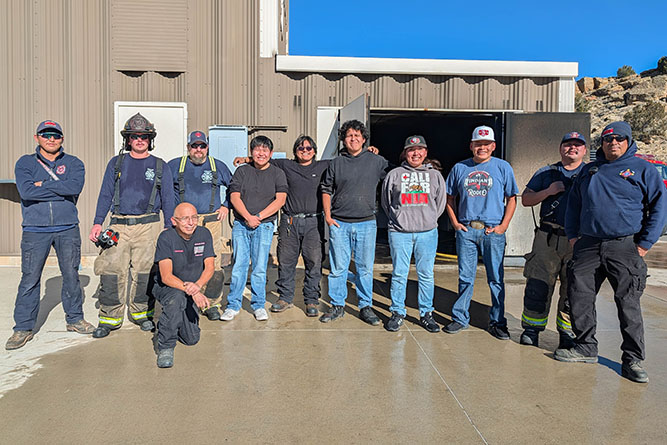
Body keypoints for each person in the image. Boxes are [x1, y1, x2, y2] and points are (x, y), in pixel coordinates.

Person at [555, 121, 667, 384]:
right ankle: (585, 348)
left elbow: (659, 209)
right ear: (601, 144)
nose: (613, 142)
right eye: (607, 139)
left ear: (628, 141)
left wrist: (643, 244)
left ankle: (633, 359)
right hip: (588, 246)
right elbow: (574, 204)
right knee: (579, 298)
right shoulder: (590, 170)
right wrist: (573, 236)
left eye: (619, 138)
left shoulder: (643, 169)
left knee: (628, 303)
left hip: (625, 247)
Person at [6, 120, 94, 350]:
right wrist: (57, 187)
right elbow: (26, 191)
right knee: (29, 279)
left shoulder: (74, 163)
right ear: (37, 138)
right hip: (35, 230)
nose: (51, 139)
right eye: (46, 135)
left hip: (67, 228)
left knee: (71, 276)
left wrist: (41, 185)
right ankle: (22, 328)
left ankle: (75, 319)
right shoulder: (25, 163)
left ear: (62, 139)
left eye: (55, 135)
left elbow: (74, 188)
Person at [89, 113, 175, 338]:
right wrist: (98, 223)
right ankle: (109, 317)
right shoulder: (116, 163)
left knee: (144, 273)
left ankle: (142, 314)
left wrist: (169, 227)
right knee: (111, 272)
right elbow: (105, 194)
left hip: (149, 227)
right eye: (135, 136)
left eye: (144, 137)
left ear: (150, 139)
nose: (139, 140)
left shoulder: (160, 166)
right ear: (128, 140)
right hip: (118, 225)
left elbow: (168, 198)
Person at [235, 135, 329, 317]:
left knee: (314, 262)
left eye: (309, 148)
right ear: (295, 151)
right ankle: (285, 298)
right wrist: (246, 159)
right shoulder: (286, 165)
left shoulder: (323, 166)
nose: (305, 151)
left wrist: (368, 152)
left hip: (313, 221)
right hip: (289, 221)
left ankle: (311, 300)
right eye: (301, 148)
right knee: (286, 261)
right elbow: (263, 158)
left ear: (314, 151)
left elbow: (347, 161)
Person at [444, 125, 519, 340]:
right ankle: (460, 318)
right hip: (467, 230)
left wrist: (503, 226)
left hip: (492, 231)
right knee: (465, 277)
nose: (482, 148)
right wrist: (456, 223)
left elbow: (512, 198)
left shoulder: (503, 167)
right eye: (478, 144)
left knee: (495, 278)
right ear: (471, 146)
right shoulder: (460, 168)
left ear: (493, 146)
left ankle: (497, 322)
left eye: (486, 144)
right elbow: (449, 198)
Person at [519, 132, 587, 348]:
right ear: (560, 149)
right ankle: (532, 329)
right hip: (547, 238)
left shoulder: (591, 173)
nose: (572, 148)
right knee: (538, 285)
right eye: (568, 145)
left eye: (577, 145)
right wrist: (548, 191)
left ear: (584, 150)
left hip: (578, 240)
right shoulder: (547, 172)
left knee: (573, 289)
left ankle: (566, 333)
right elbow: (526, 199)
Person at [320, 119, 390, 325]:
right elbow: (326, 189)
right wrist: (328, 216)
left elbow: (395, 177)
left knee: (364, 268)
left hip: (366, 223)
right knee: (338, 268)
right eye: (349, 136)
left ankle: (365, 306)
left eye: (357, 136)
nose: (353, 139)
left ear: (364, 139)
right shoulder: (336, 163)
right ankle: (337, 305)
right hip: (339, 223)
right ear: (343, 139)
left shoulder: (376, 161)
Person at [381, 135, 446, 332]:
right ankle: (397, 312)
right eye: (411, 150)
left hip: (427, 233)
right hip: (400, 233)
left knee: (426, 274)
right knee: (399, 273)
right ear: (405, 153)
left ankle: (426, 313)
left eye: (419, 149)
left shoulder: (435, 176)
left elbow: (440, 203)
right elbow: (386, 202)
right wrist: (398, 220)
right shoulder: (395, 174)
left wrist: (429, 220)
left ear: (425, 152)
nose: (415, 153)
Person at [220, 136, 288, 321]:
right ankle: (233, 305)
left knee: (259, 268)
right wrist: (248, 217)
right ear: (251, 152)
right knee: (239, 266)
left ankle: (258, 305)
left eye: (265, 150)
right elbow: (234, 197)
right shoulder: (242, 172)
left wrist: (258, 217)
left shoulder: (277, 173)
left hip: (264, 226)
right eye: (257, 150)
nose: (261, 153)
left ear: (271, 154)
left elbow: (280, 200)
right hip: (242, 225)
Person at [168, 130, 232, 321]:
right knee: (183, 263)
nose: (198, 150)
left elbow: (235, 186)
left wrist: (226, 206)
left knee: (213, 264)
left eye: (202, 146)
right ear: (188, 147)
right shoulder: (174, 166)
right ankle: (184, 299)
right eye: (194, 146)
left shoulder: (217, 166)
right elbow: (162, 190)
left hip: (210, 222)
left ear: (207, 147)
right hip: (183, 223)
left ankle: (212, 303)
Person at [152, 203, 215, 368]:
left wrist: (198, 286)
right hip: (169, 287)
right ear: (174, 221)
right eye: (185, 218)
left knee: (191, 339)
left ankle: (169, 322)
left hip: (192, 288)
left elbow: (210, 267)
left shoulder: (204, 234)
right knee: (176, 299)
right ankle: (165, 345)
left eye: (194, 217)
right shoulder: (166, 238)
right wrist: (193, 291)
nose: (191, 222)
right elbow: (166, 277)